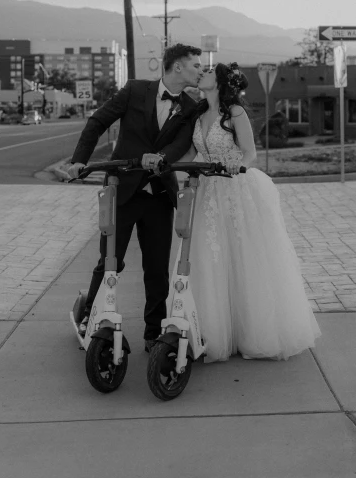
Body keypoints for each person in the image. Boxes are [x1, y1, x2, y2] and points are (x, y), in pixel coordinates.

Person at [67, 43, 203, 352]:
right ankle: (91, 319)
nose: (200, 69)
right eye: (196, 64)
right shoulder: (135, 90)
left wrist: (160, 157)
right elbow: (97, 121)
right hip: (123, 190)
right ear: (178, 66)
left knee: (157, 269)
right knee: (110, 262)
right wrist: (79, 160)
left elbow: (181, 143)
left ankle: (153, 333)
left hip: (158, 195)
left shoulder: (191, 107)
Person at [186, 62, 321, 363]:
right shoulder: (199, 114)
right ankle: (212, 330)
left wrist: (238, 164)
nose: (200, 75)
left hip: (235, 189)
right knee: (211, 258)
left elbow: (250, 152)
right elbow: (196, 152)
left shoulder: (234, 112)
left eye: (206, 72)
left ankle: (252, 332)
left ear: (219, 82)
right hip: (208, 191)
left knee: (244, 258)